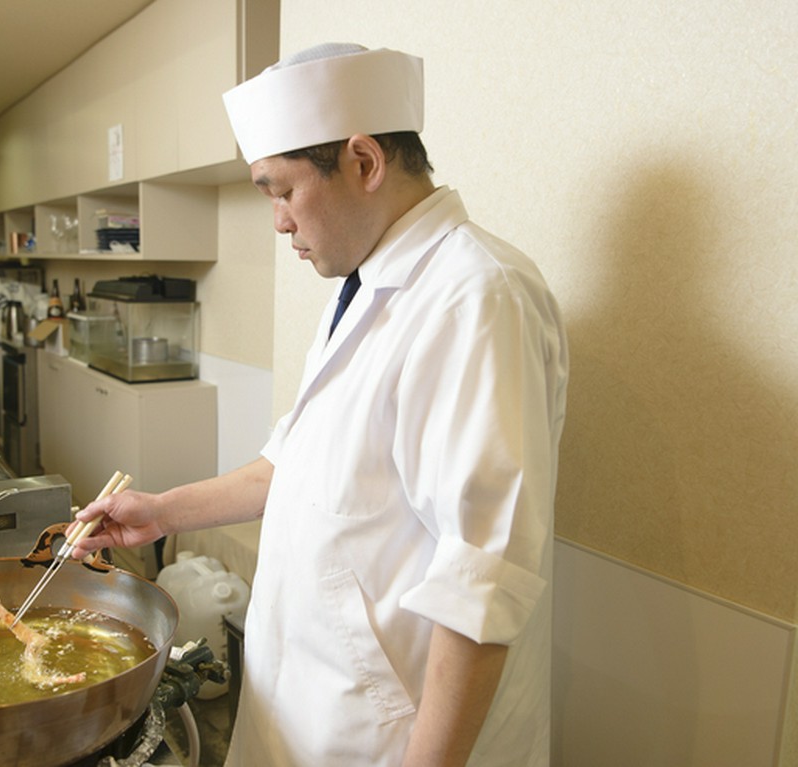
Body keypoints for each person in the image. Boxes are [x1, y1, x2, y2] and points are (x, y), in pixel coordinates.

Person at [71, 43, 569, 766]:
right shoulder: (364, 286)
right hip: (309, 708)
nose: (277, 221)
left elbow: (483, 580)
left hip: (393, 735)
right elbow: (294, 461)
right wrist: (161, 510)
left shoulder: (475, 296)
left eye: (281, 190)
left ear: (364, 162)